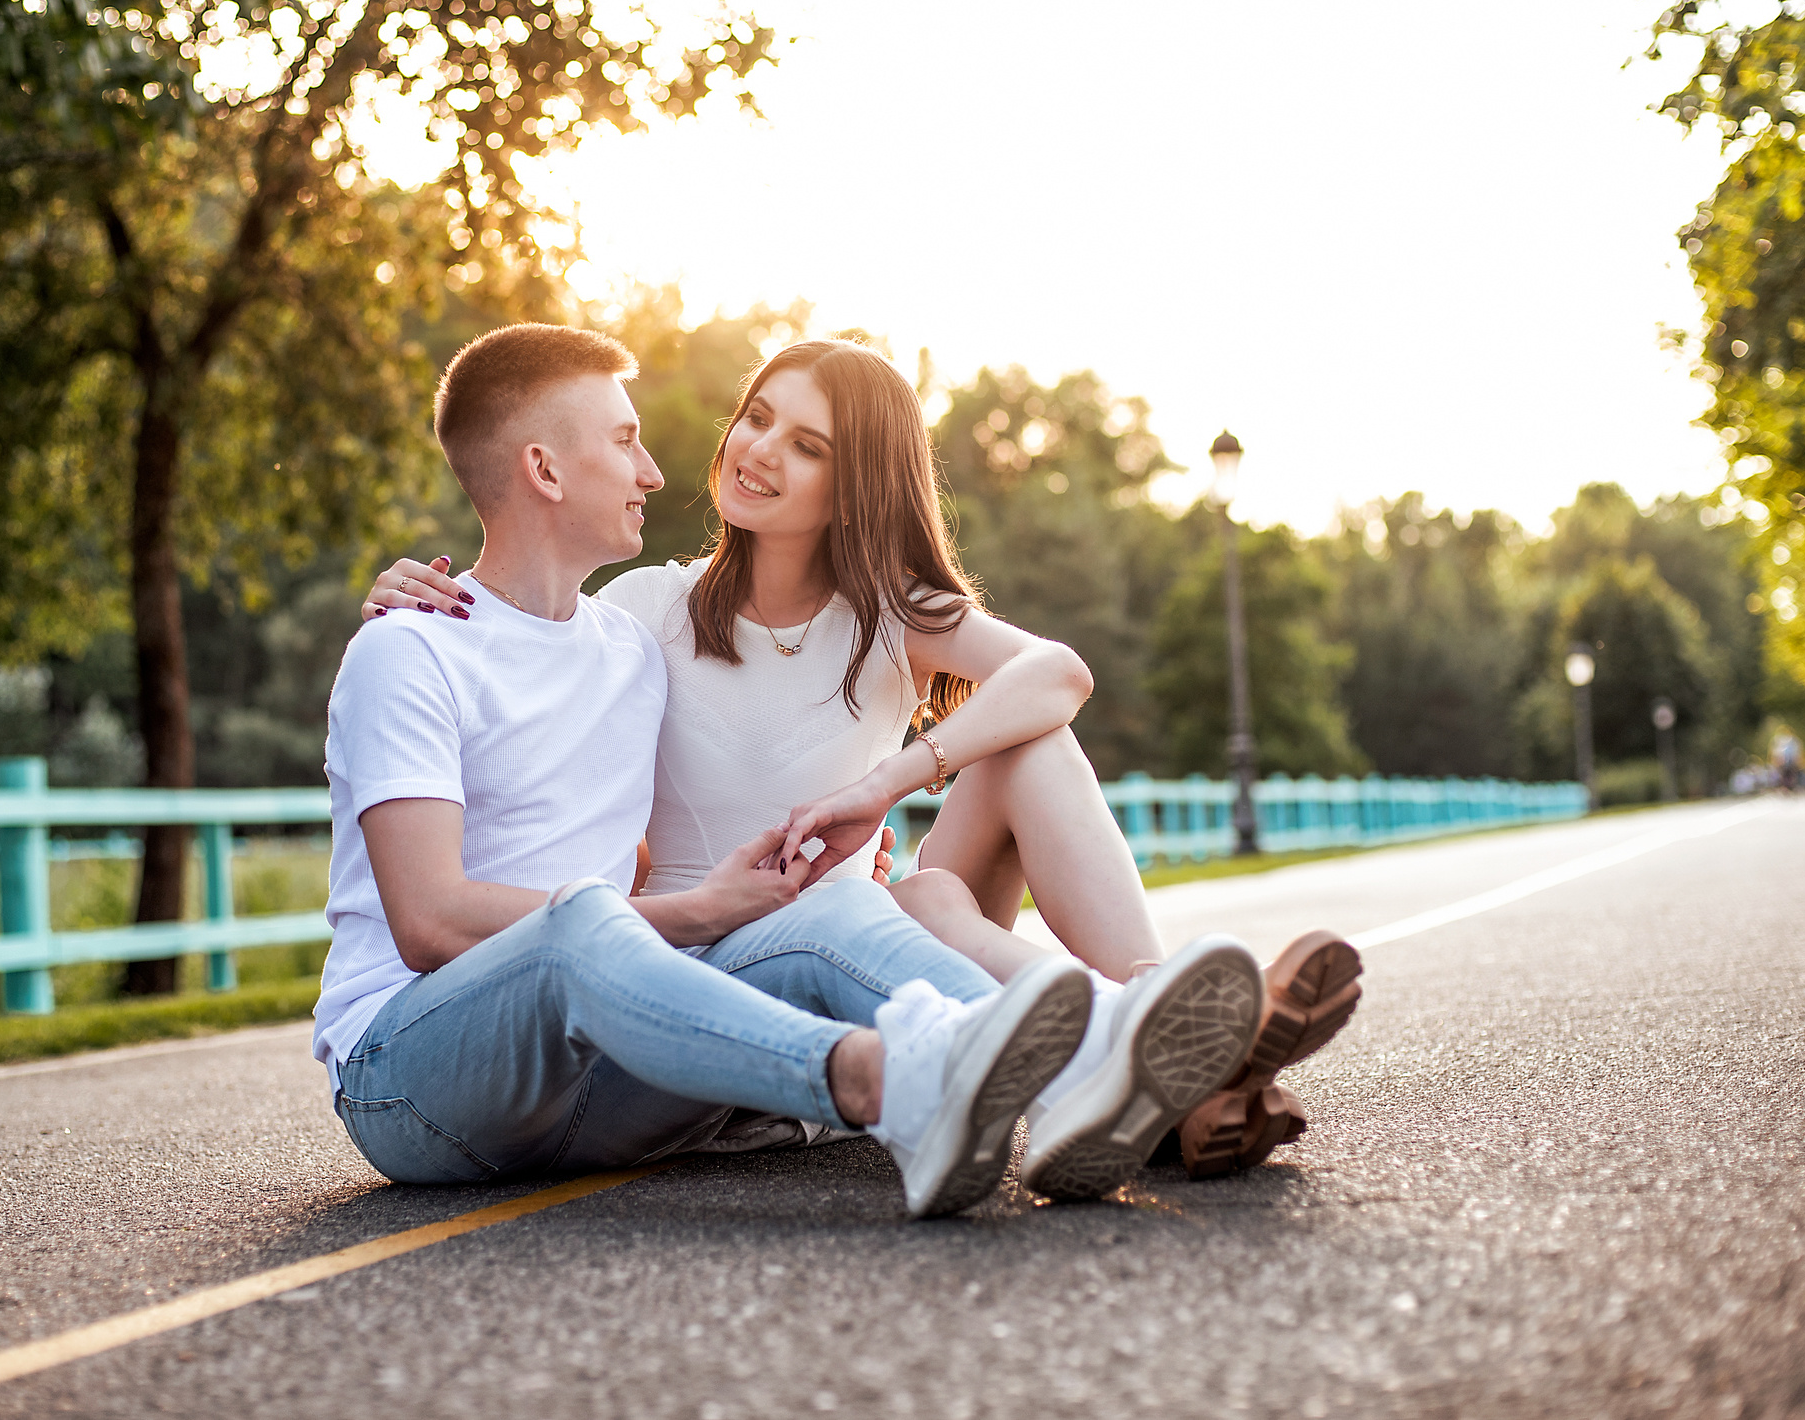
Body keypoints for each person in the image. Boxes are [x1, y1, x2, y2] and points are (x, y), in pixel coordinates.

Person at [363, 338, 1362, 1194]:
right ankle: (1178, 1065)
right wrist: (411, 595)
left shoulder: (886, 612)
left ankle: (1145, 1012)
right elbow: (523, 610)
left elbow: (1056, 673)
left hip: (842, 926)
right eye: (756, 418)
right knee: (905, 906)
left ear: (854, 486)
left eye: (806, 446)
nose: (757, 450)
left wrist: (884, 782)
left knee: (1017, 759)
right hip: (708, 948)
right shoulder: (642, 615)